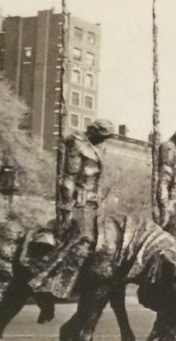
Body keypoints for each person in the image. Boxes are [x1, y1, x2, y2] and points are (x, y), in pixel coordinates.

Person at [28, 119, 113, 319]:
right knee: (83, 240)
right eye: (102, 136)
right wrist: (66, 210)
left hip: (95, 203)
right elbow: (68, 180)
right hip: (79, 203)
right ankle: (47, 283)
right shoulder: (77, 144)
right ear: (93, 131)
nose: (104, 140)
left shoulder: (97, 148)